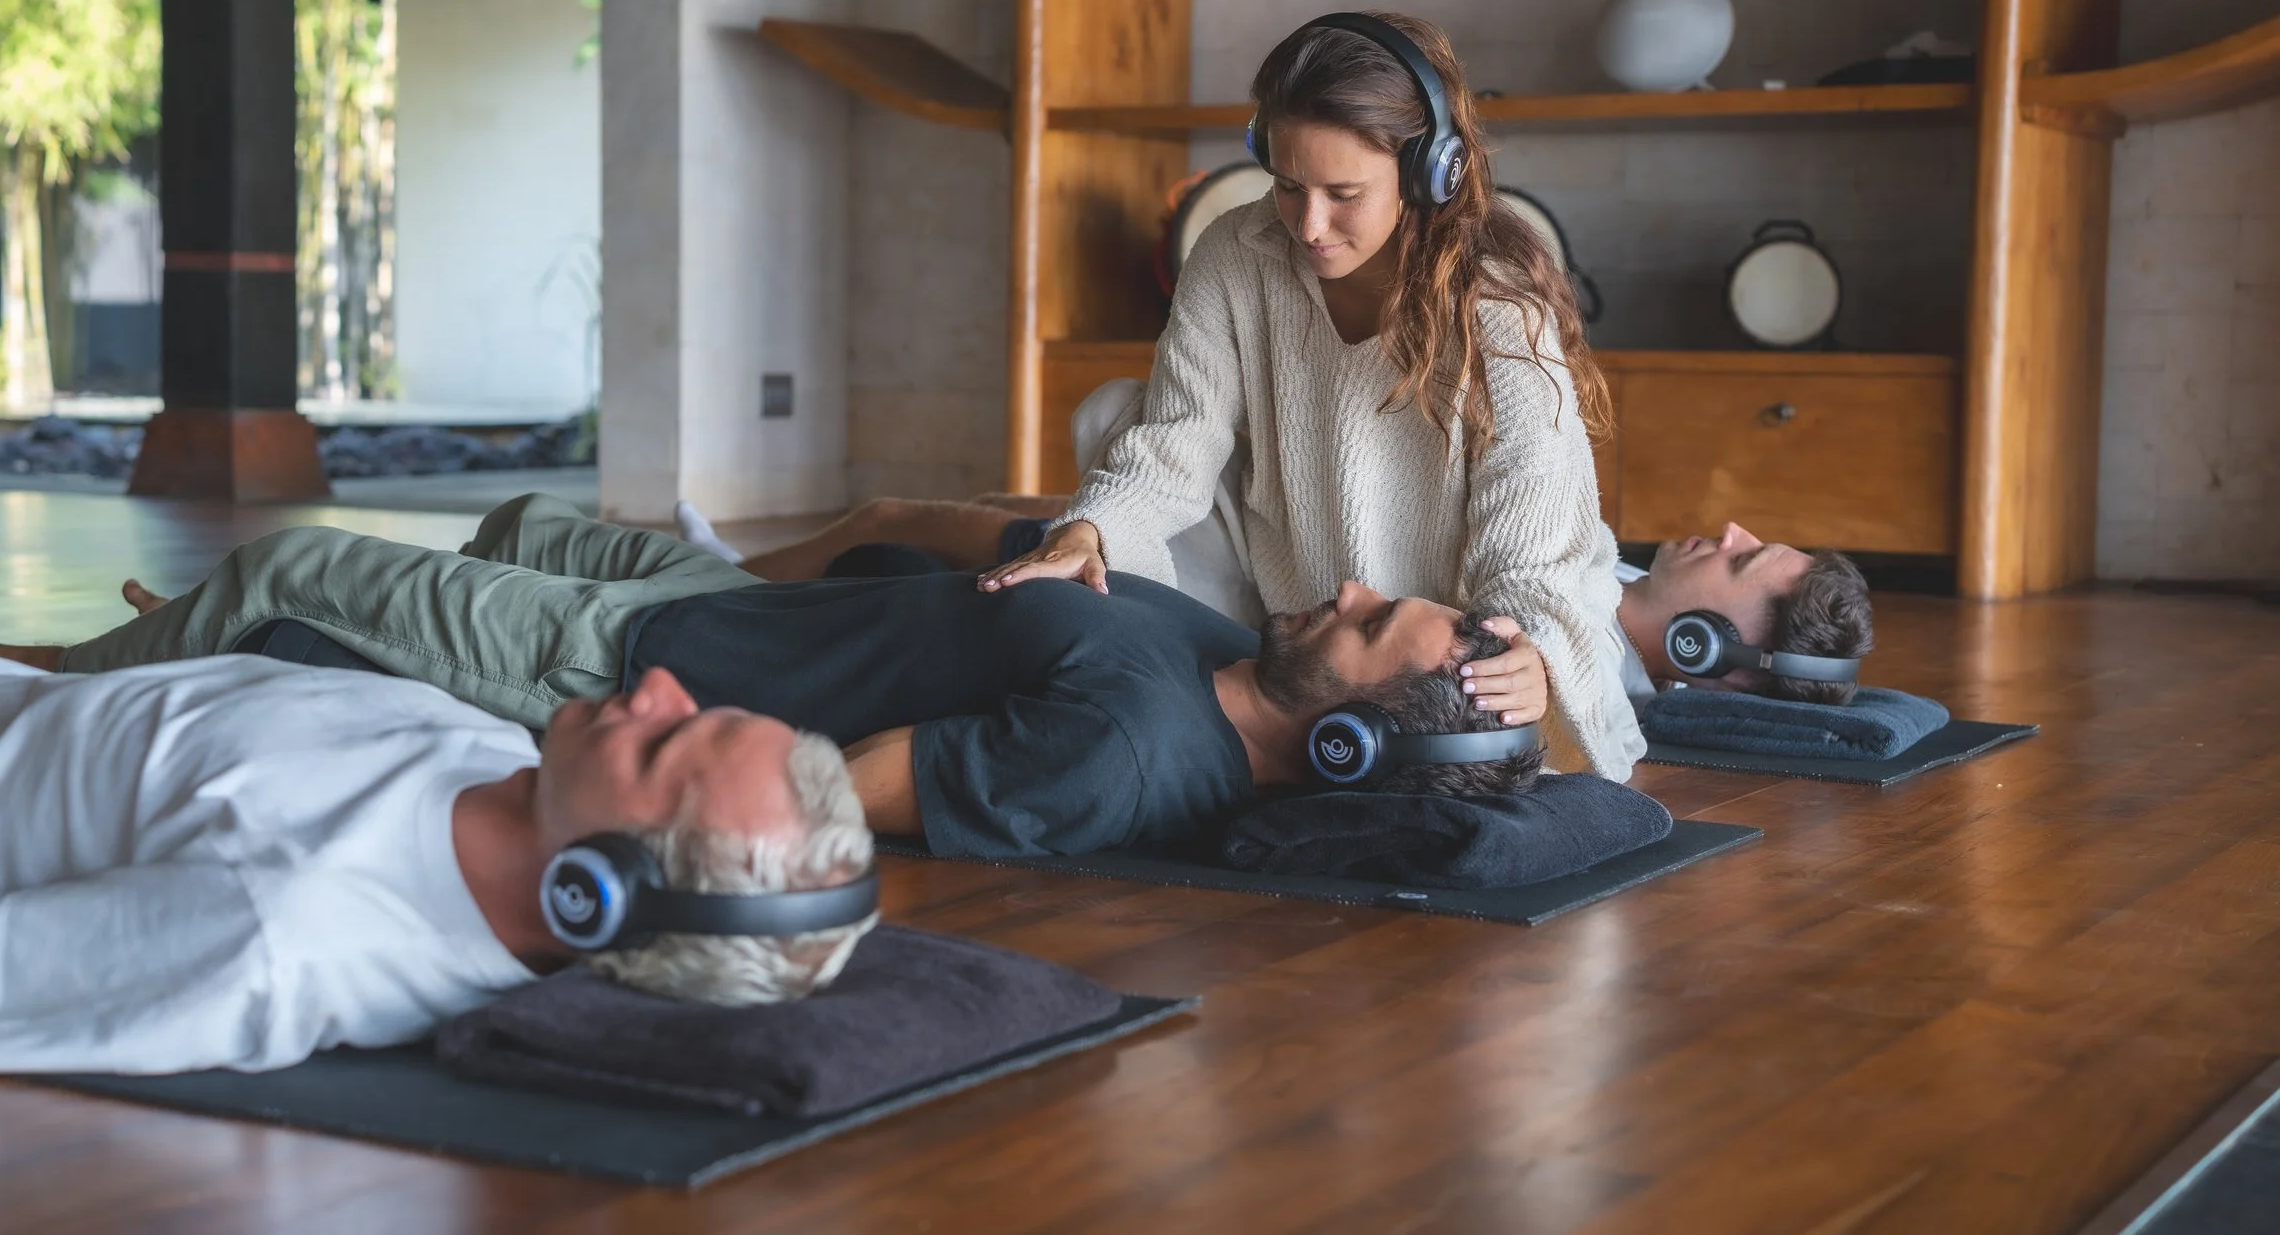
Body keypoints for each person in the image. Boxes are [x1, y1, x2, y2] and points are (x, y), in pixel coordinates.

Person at [0, 495, 1549, 863]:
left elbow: (819, 809)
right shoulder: (1218, 666)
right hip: (727, 597)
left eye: (1371, 618)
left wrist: (571, 747)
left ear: (1343, 734)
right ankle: (201, 642)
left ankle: (32, 679)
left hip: (634, 661)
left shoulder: (1112, 764)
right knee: (527, 510)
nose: (1341, 588)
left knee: (288, 564)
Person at [0, 590, 873, 1076]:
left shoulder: (289, 930)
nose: (662, 686)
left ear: (598, 888)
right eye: (699, 708)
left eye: (660, 747)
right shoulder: (513, 763)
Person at [971, 12, 1641, 781]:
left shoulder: (1497, 306)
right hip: (1288, 612)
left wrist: (1523, 651)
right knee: (1113, 415)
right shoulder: (1234, 252)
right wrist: (1092, 531)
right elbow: (1175, 442)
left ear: (1431, 173)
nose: (1310, 225)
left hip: (1443, 642)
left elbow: (1531, 529)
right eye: (1289, 185)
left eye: (1343, 193)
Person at [732, 502, 1877, 713]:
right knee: (947, 512)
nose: (1726, 529)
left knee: (899, 518)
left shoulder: (1549, 655)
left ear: (1701, 642)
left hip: (1205, 583)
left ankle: (722, 574)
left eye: (1748, 557)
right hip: (1242, 532)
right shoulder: (1598, 575)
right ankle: (730, 565)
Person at [1612, 525, 1875, 709]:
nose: (1733, 530)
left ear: (1708, 647)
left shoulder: (1585, 677)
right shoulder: (1610, 574)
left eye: (1740, 560)